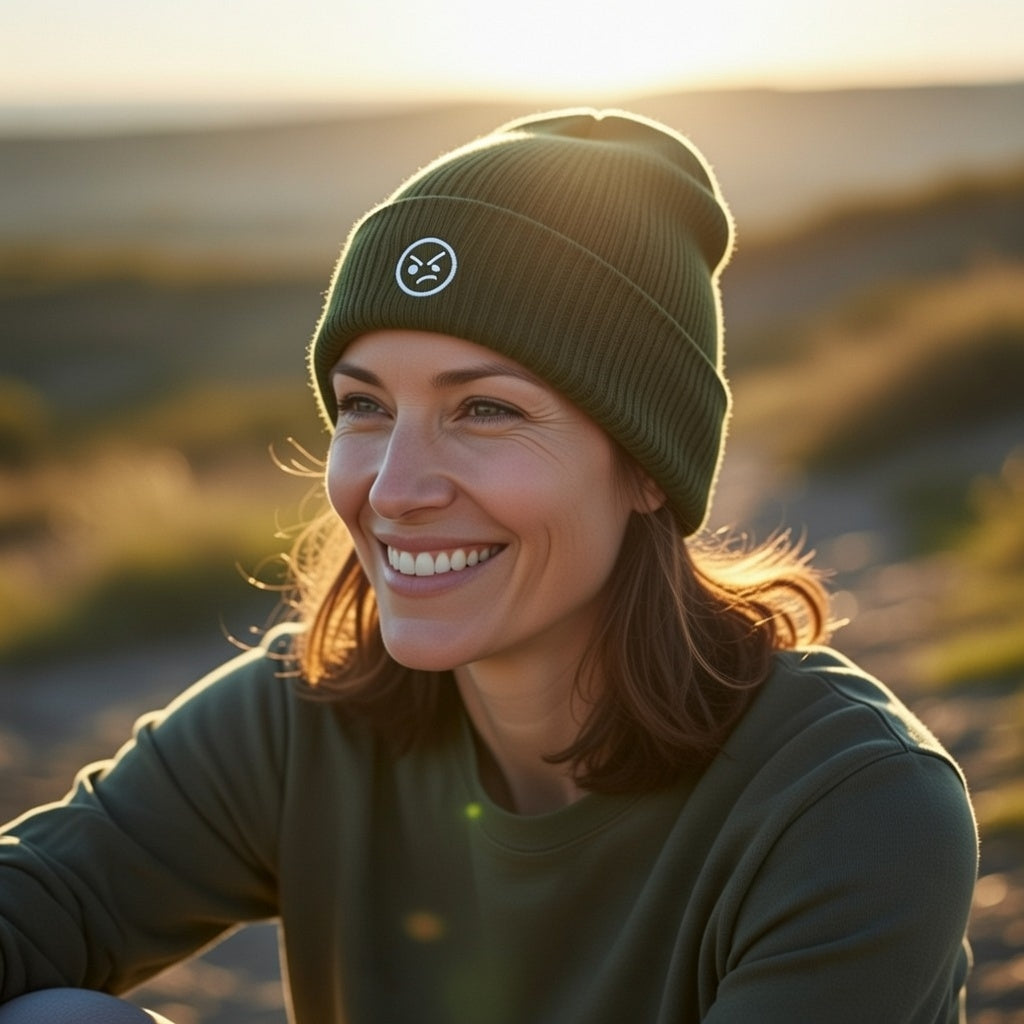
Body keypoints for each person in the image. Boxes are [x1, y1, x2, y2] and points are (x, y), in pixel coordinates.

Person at [0, 108, 978, 1023]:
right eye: (365, 406)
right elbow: (42, 902)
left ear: (647, 468)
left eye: (486, 410)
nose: (394, 489)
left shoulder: (849, 805)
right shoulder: (299, 719)